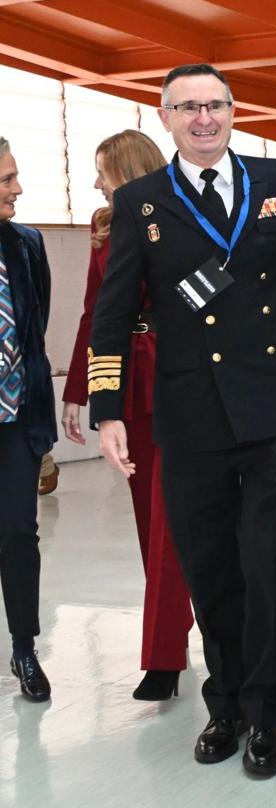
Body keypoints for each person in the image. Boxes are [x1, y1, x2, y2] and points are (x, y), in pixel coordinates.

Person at [89, 63, 276, 777]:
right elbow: (112, 314)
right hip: (190, 419)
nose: (203, 118)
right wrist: (107, 410)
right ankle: (225, 705)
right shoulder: (140, 202)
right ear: (165, 118)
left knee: (272, 567)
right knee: (213, 569)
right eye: (187, 107)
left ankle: (266, 715)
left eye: (215, 105)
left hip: (274, 410)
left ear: (232, 111)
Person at [62, 130, 195, 701]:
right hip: (129, 384)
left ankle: (163, 655)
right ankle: (174, 634)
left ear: (131, 170)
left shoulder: (185, 214)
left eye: (103, 171)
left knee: (169, 521)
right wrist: (79, 392)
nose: (95, 182)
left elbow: (218, 283)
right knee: (148, 523)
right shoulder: (103, 228)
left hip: (181, 377)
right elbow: (96, 316)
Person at [0, 137, 54, 703]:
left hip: (16, 417)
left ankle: (24, 648)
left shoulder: (28, 243)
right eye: (6, 179)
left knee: (18, 532)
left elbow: (35, 324)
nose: (17, 188)